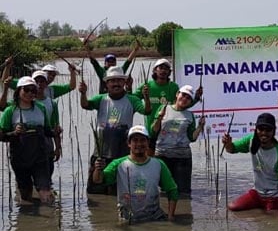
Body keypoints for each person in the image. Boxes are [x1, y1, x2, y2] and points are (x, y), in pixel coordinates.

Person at [80, 66, 151, 194]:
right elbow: (85, 105)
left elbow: (146, 111)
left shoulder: (132, 99)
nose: (116, 84)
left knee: (119, 191)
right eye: (112, 81)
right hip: (101, 152)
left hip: (122, 152)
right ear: (107, 84)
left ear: (124, 82)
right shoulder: (100, 99)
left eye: (119, 80)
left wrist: (146, 97)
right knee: (95, 190)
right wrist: (83, 93)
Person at [92, 125, 178, 222]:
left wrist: (171, 217)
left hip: (153, 217)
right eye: (135, 140)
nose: (139, 144)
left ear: (148, 143)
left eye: (142, 140)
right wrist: (97, 169)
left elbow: (172, 191)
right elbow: (98, 180)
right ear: (129, 143)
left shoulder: (158, 164)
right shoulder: (118, 164)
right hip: (128, 218)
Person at [0, 77, 60, 204]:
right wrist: (14, 133)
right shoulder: (10, 111)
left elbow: (47, 131)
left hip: (40, 158)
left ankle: (52, 220)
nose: (30, 93)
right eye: (26, 90)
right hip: (20, 159)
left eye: (33, 91)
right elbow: (2, 135)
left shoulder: (41, 108)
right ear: (18, 91)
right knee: (26, 197)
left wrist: (55, 132)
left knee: (47, 193)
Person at [222, 113, 278, 212]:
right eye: (261, 129)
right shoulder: (251, 140)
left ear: (274, 132)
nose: (264, 133)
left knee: (273, 221)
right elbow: (231, 149)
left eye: (268, 130)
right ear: (256, 130)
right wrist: (227, 144)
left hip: (275, 196)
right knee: (232, 207)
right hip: (257, 193)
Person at [134, 58, 202, 154]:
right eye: (160, 68)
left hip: (168, 134)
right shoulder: (147, 86)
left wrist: (196, 99)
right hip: (151, 131)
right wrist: (144, 107)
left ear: (169, 72)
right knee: (151, 163)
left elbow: (181, 106)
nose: (163, 71)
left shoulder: (173, 87)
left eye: (166, 69)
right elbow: (133, 100)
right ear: (154, 70)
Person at [152, 85, 205, 198]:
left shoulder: (190, 115)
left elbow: (192, 138)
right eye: (183, 95)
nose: (184, 99)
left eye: (188, 98)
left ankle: (185, 210)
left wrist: (200, 127)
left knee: (184, 191)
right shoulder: (164, 108)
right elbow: (154, 130)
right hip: (163, 154)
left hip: (182, 156)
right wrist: (159, 118)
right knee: (164, 191)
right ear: (177, 94)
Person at [32, 70, 62, 179]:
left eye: (42, 81)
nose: (39, 84)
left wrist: (58, 147)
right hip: (29, 143)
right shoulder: (25, 101)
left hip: (47, 143)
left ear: (46, 84)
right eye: (37, 81)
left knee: (46, 176)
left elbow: (56, 127)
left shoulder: (51, 103)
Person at [2, 58, 77, 99]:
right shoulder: (25, 84)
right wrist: (7, 66)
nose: (51, 77)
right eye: (49, 73)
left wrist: (72, 72)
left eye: (53, 75)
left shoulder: (52, 90)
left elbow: (71, 86)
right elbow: (5, 81)